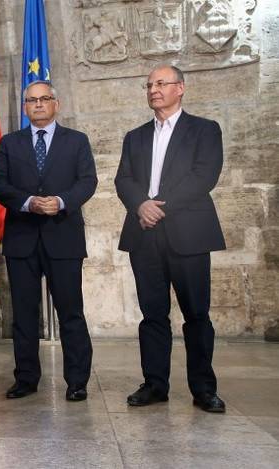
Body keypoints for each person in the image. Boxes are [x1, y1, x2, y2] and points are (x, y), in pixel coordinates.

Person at [114, 64, 226, 413]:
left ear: (181, 88)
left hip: (188, 234)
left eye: (161, 84)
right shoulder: (135, 136)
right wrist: (140, 205)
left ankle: (204, 389)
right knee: (152, 315)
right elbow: (124, 179)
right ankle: (155, 385)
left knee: (196, 314)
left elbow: (204, 176)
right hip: (144, 235)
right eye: (149, 85)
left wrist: (159, 207)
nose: (153, 90)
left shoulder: (204, 130)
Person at [0, 80, 96, 401]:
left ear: (55, 104)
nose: (37, 104)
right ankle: (26, 378)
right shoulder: (10, 143)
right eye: (31, 100)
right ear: (25, 107)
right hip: (22, 238)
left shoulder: (76, 141)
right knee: (23, 314)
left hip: (63, 237)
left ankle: (77, 381)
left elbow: (87, 181)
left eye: (44, 99)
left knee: (71, 312)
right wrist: (28, 202)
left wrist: (60, 201)